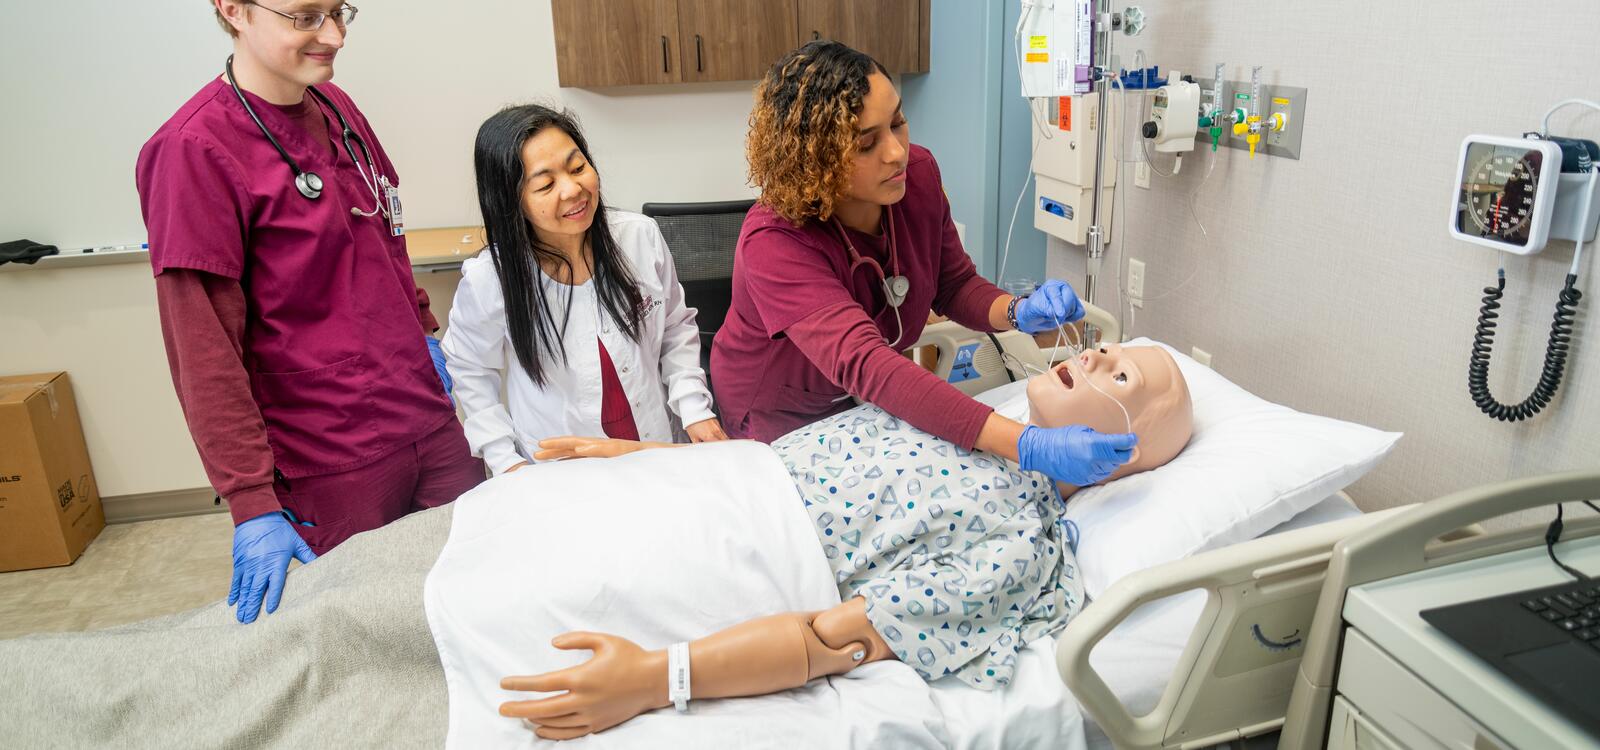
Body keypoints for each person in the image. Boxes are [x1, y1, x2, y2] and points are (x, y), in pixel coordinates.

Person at [508, 343, 1194, 739]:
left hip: (726, 555)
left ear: (1123, 453)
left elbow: (830, 640)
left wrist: (656, 679)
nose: (1100, 351)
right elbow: (779, 461)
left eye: (1123, 375)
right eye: (1112, 349)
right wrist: (642, 458)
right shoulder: (958, 418)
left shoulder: (1016, 546)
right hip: (681, 495)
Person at [134, 0, 483, 624]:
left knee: (476, 589)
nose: (335, 36)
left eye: (340, 11)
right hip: (327, 451)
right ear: (233, 9)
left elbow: (385, 237)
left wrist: (424, 331)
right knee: (365, 631)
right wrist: (249, 498)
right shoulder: (192, 151)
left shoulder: (336, 108)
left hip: (423, 415)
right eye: (305, 17)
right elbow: (202, 347)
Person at [710, 41, 1134, 491]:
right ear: (813, 160)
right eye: (867, 142)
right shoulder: (776, 240)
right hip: (776, 408)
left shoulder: (919, 176)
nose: (895, 152)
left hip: (859, 401)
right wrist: (1028, 445)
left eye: (898, 121)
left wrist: (1017, 312)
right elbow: (869, 365)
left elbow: (953, 285)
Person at [441, 105, 726, 476]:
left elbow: (675, 329)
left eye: (577, 168)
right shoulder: (489, 280)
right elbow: (471, 372)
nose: (573, 189)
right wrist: (504, 460)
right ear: (511, 202)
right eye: (545, 184)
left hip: (653, 442)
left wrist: (694, 409)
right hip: (557, 466)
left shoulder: (638, 237)